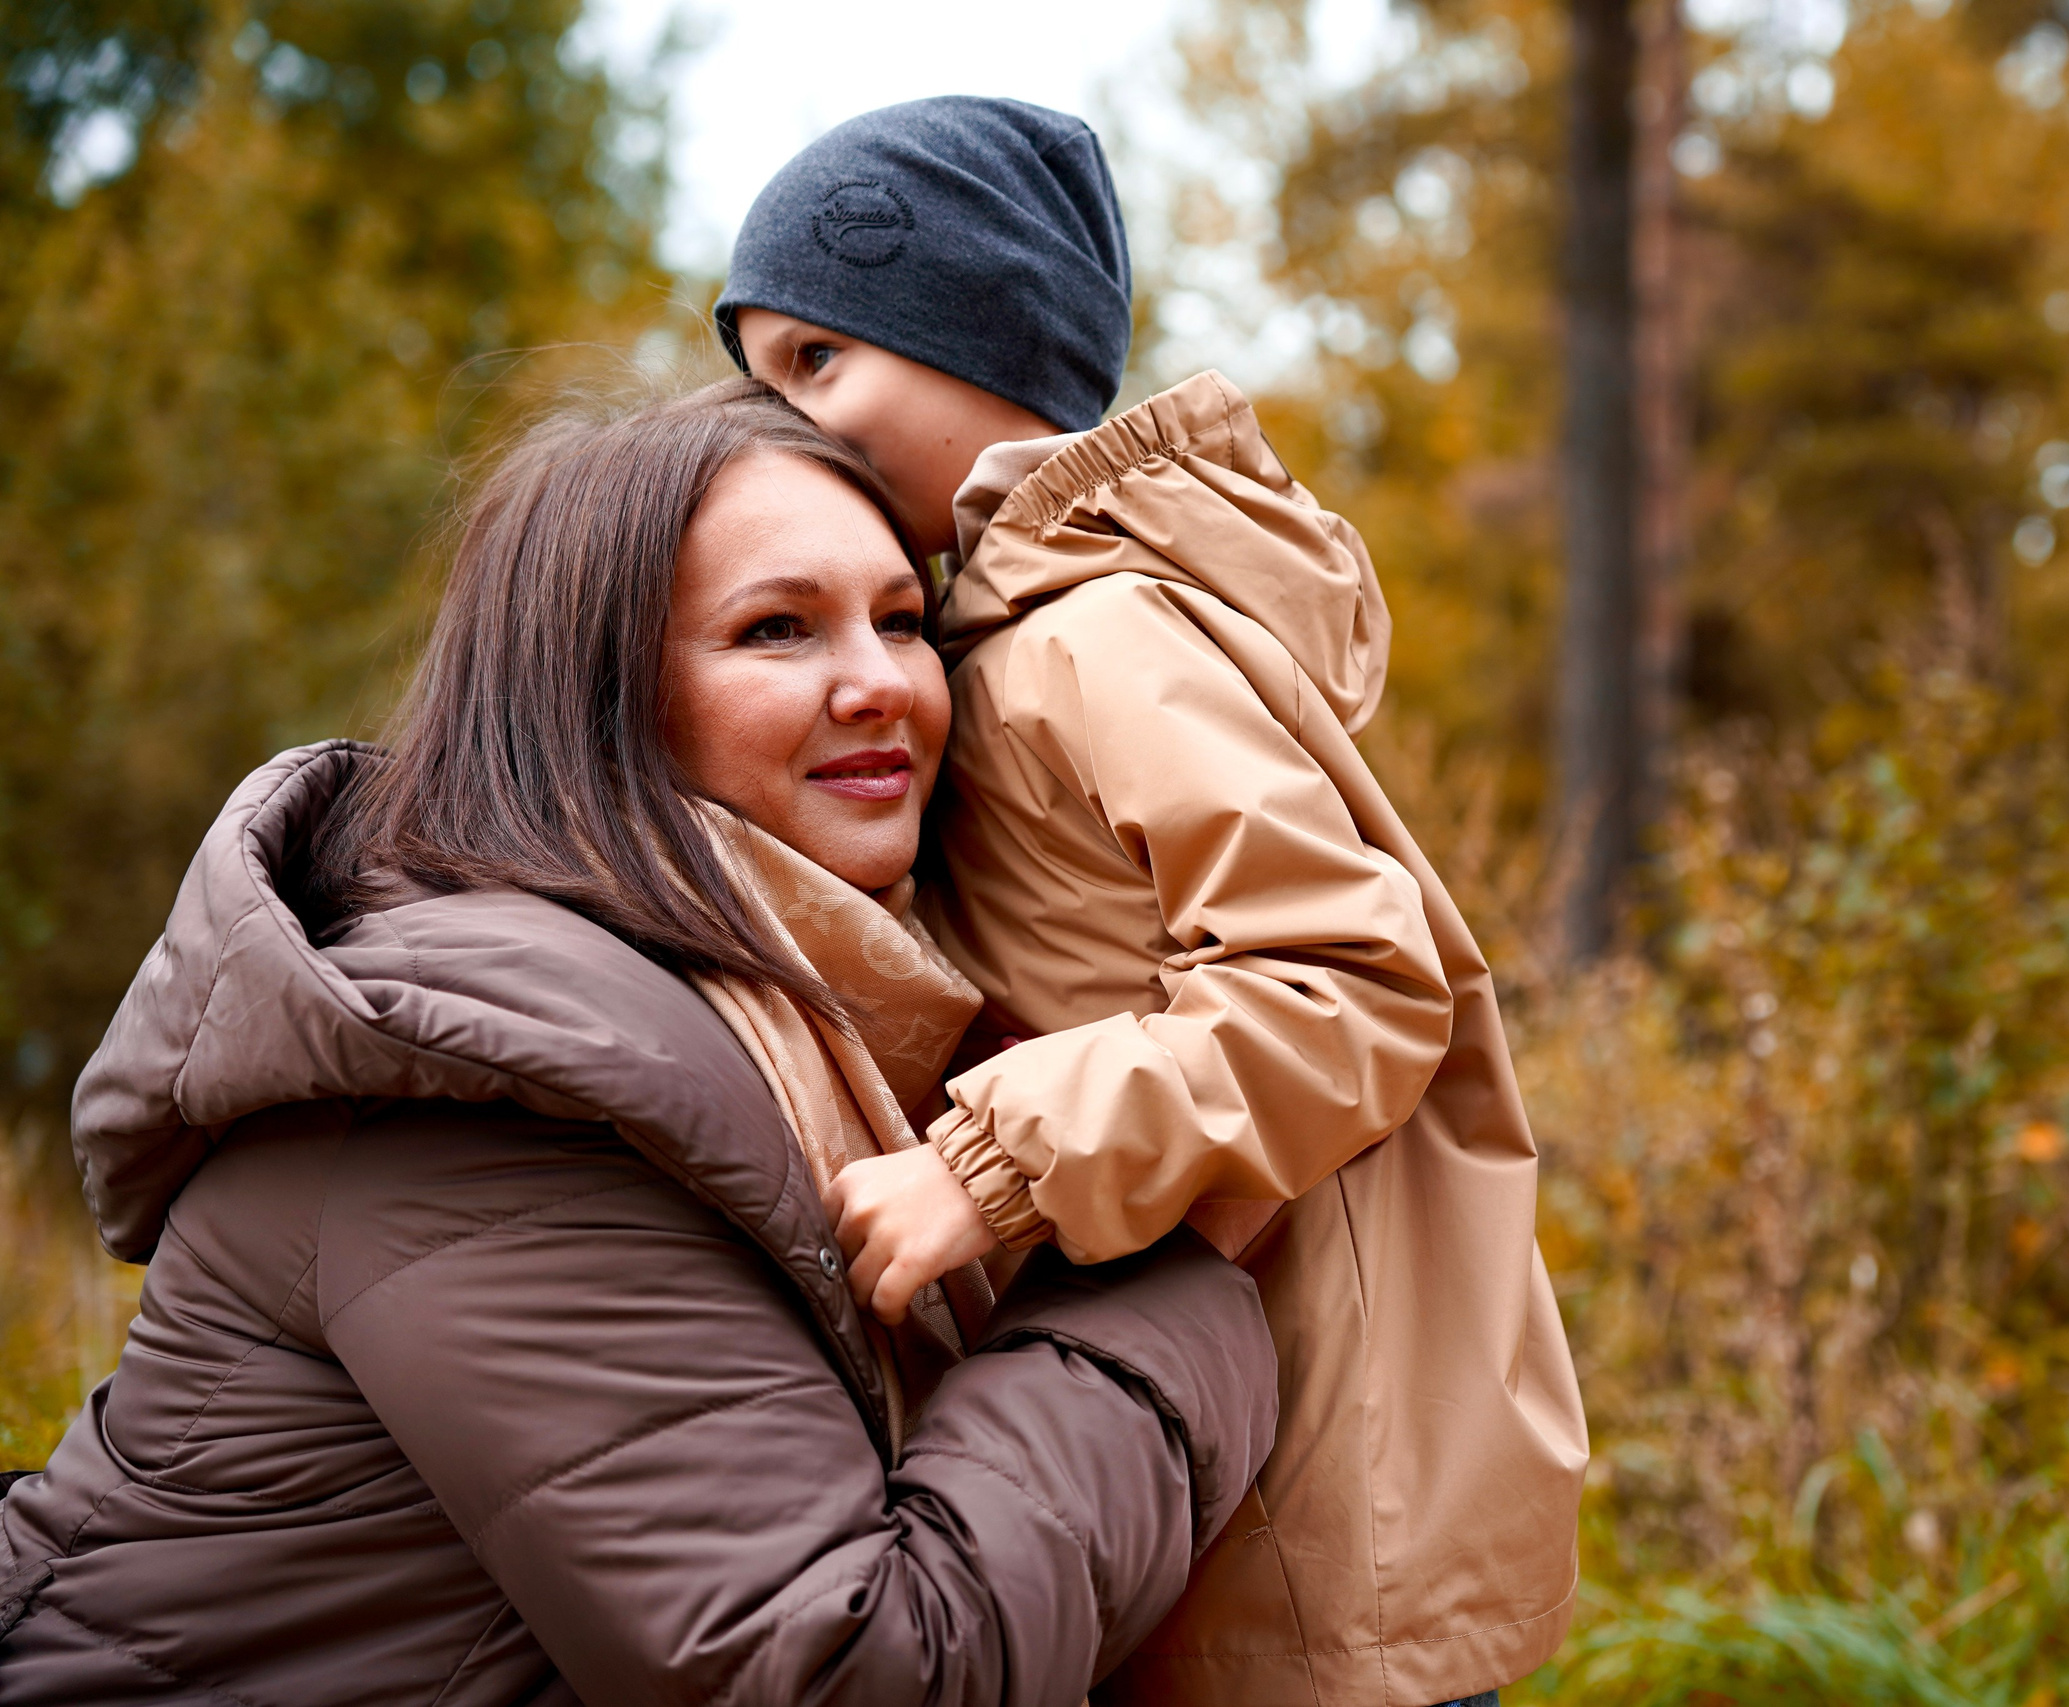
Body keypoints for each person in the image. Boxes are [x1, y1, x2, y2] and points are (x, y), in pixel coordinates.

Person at [0, 379, 1277, 1705]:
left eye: (902, 620)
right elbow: (855, 1672)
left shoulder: (792, 1018)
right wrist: (1164, 1269)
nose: (880, 684)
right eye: (776, 630)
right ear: (595, 704)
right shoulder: (486, 1099)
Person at [716, 98, 1587, 1707]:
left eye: (816, 364)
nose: (779, 424)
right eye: (758, 373)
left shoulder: (1093, 640)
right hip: (1180, 1432)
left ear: (987, 346)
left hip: (1312, 1499)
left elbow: (1348, 979)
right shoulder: (970, 648)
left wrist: (995, 1166)